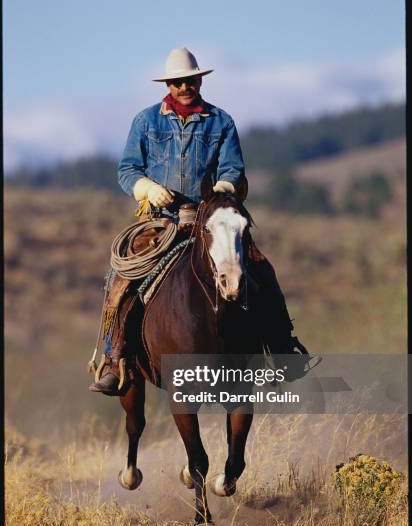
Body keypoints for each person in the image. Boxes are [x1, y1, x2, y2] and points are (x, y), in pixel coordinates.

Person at [89, 47, 305, 396]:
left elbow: (233, 167)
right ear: (169, 84)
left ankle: (282, 349)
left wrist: (222, 188)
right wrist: (147, 188)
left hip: (212, 214)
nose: (184, 87)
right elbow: (127, 169)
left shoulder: (221, 121)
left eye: (189, 80)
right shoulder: (146, 121)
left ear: (199, 80)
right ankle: (115, 359)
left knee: (260, 266)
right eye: (177, 82)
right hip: (161, 220)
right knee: (122, 276)